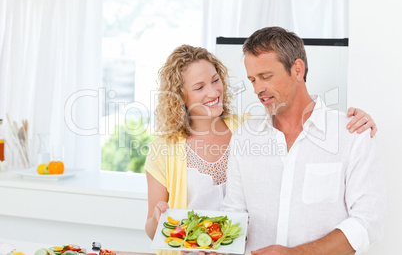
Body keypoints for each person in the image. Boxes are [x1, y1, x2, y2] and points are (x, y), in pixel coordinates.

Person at [144, 44, 377, 255]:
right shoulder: (163, 150)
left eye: (216, 80)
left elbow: (294, 122)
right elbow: (153, 228)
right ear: (180, 96)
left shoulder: (248, 128)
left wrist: (359, 120)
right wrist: (160, 220)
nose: (213, 92)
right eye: (199, 87)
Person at [221, 27, 386, 254]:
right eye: (252, 80)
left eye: (266, 77)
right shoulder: (244, 136)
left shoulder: (352, 135)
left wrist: (296, 253)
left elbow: (367, 223)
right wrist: (213, 244)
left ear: (297, 69)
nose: (258, 89)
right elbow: (234, 212)